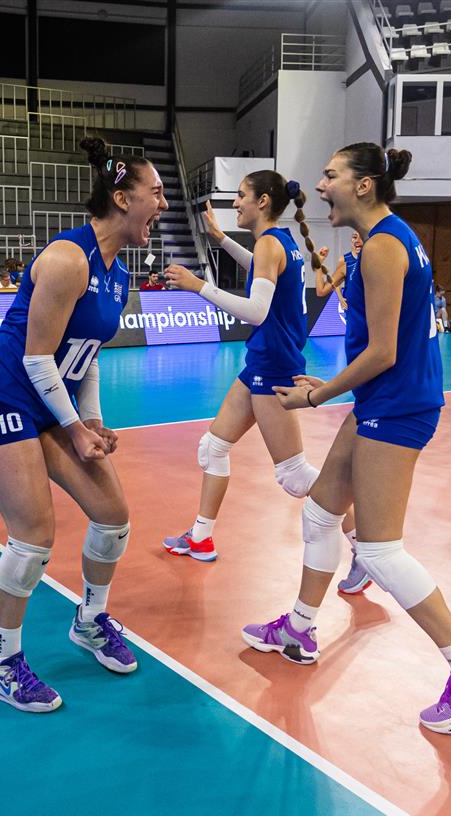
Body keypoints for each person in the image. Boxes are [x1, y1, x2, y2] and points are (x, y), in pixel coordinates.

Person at [249, 142, 451, 734]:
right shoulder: (387, 239)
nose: (321, 186)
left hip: (397, 407)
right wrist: (335, 387)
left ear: (364, 185)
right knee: (320, 513)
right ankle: (299, 628)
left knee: (379, 550)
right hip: (382, 400)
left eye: (331, 175)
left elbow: (384, 351)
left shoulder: (383, 248)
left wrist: (318, 395)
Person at [0, 137, 167, 712]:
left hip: (51, 407)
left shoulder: (118, 275)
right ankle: (1, 664)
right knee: (32, 537)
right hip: (3, 397)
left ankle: (90, 621)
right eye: (155, 194)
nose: (163, 205)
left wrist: (92, 419)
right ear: (122, 198)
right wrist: (75, 428)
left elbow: (87, 355)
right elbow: (36, 358)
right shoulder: (65, 259)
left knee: (113, 517)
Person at [161, 171, 348, 565]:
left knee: (294, 476)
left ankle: (365, 537)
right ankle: (201, 538)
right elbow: (260, 268)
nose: (235, 203)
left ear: (262, 201)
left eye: (241, 195)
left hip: (274, 365)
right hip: (262, 361)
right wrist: (220, 238)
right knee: (213, 447)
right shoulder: (281, 241)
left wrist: (198, 286)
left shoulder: (268, 244)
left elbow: (257, 311)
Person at [314, 228, 361, 311]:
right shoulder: (345, 262)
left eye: (361, 237)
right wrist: (340, 298)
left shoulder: (376, 262)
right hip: (354, 312)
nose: (357, 240)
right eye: (354, 237)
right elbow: (327, 288)